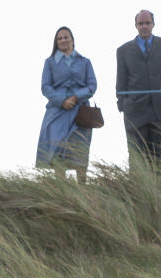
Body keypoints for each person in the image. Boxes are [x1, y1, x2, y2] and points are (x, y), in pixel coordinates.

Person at [35, 27, 98, 183]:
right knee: (58, 153)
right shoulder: (49, 63)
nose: (63, 40)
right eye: (60, 38)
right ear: (56, 42)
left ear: (72, 40)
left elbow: (92, 85)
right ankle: (61, 192)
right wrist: (62, 100)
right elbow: (45, 87)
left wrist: (76, 97)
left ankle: (83, 190)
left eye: (66, 37)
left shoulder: (85, 62)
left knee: (80, 153)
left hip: (81, 113)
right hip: (57, 113)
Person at [115, 10, 161, 172]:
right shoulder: (123, 50)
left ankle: (159, 192)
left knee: (157, 153)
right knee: (136, 154)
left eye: (147, 23)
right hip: (134, 110)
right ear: (136, 26)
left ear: (153, 24)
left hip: (159, 109)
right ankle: (137, 192)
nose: (144, 26)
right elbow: (121, 80)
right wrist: (123, 105)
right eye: (141, 23)